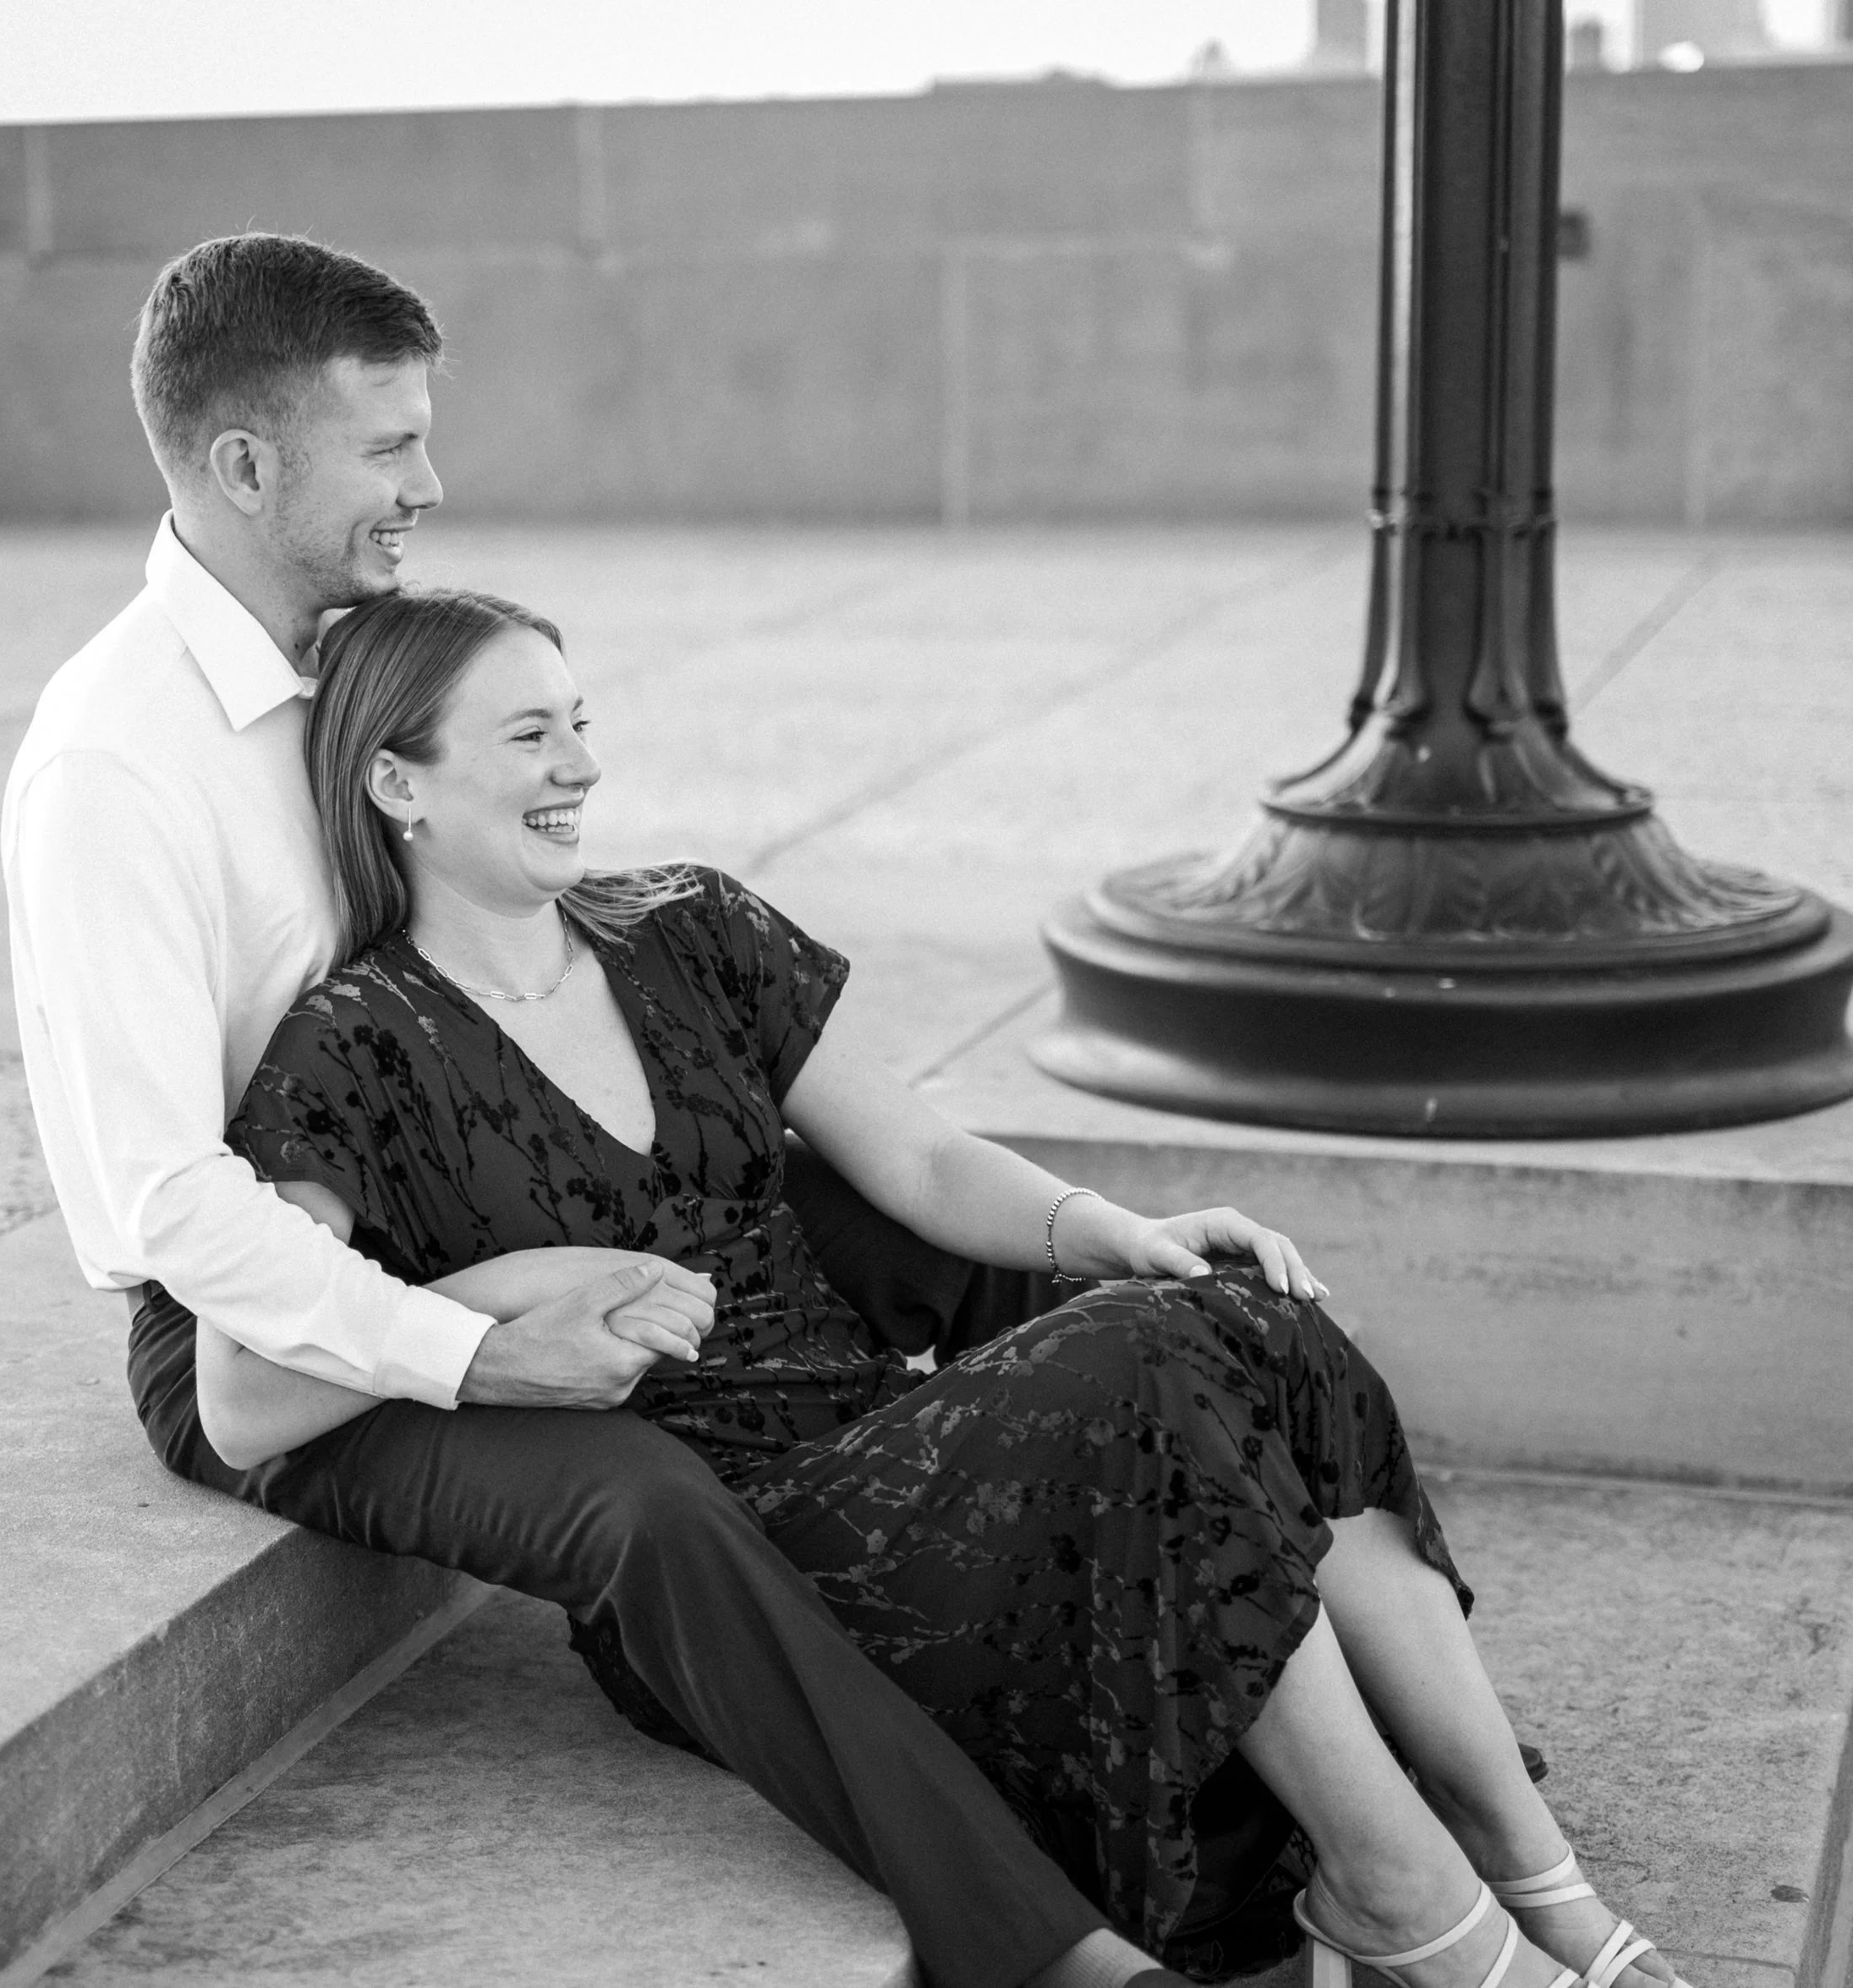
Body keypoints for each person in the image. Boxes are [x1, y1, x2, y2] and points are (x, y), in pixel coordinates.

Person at [194, 578, 1692, 1988]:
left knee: (1241, 1307)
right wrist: (508, 1287)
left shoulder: (687, 926)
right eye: (531, 735)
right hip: (757, 1552)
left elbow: (913, 1158)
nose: (581, 762)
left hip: (888, 1438)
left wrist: (1111, 1225)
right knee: (1146, 1368)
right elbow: (250, 1383)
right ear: (399, 784)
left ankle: (1528, 1859)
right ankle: (1399, 1888)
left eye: (583, 720)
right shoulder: (355, 1044)